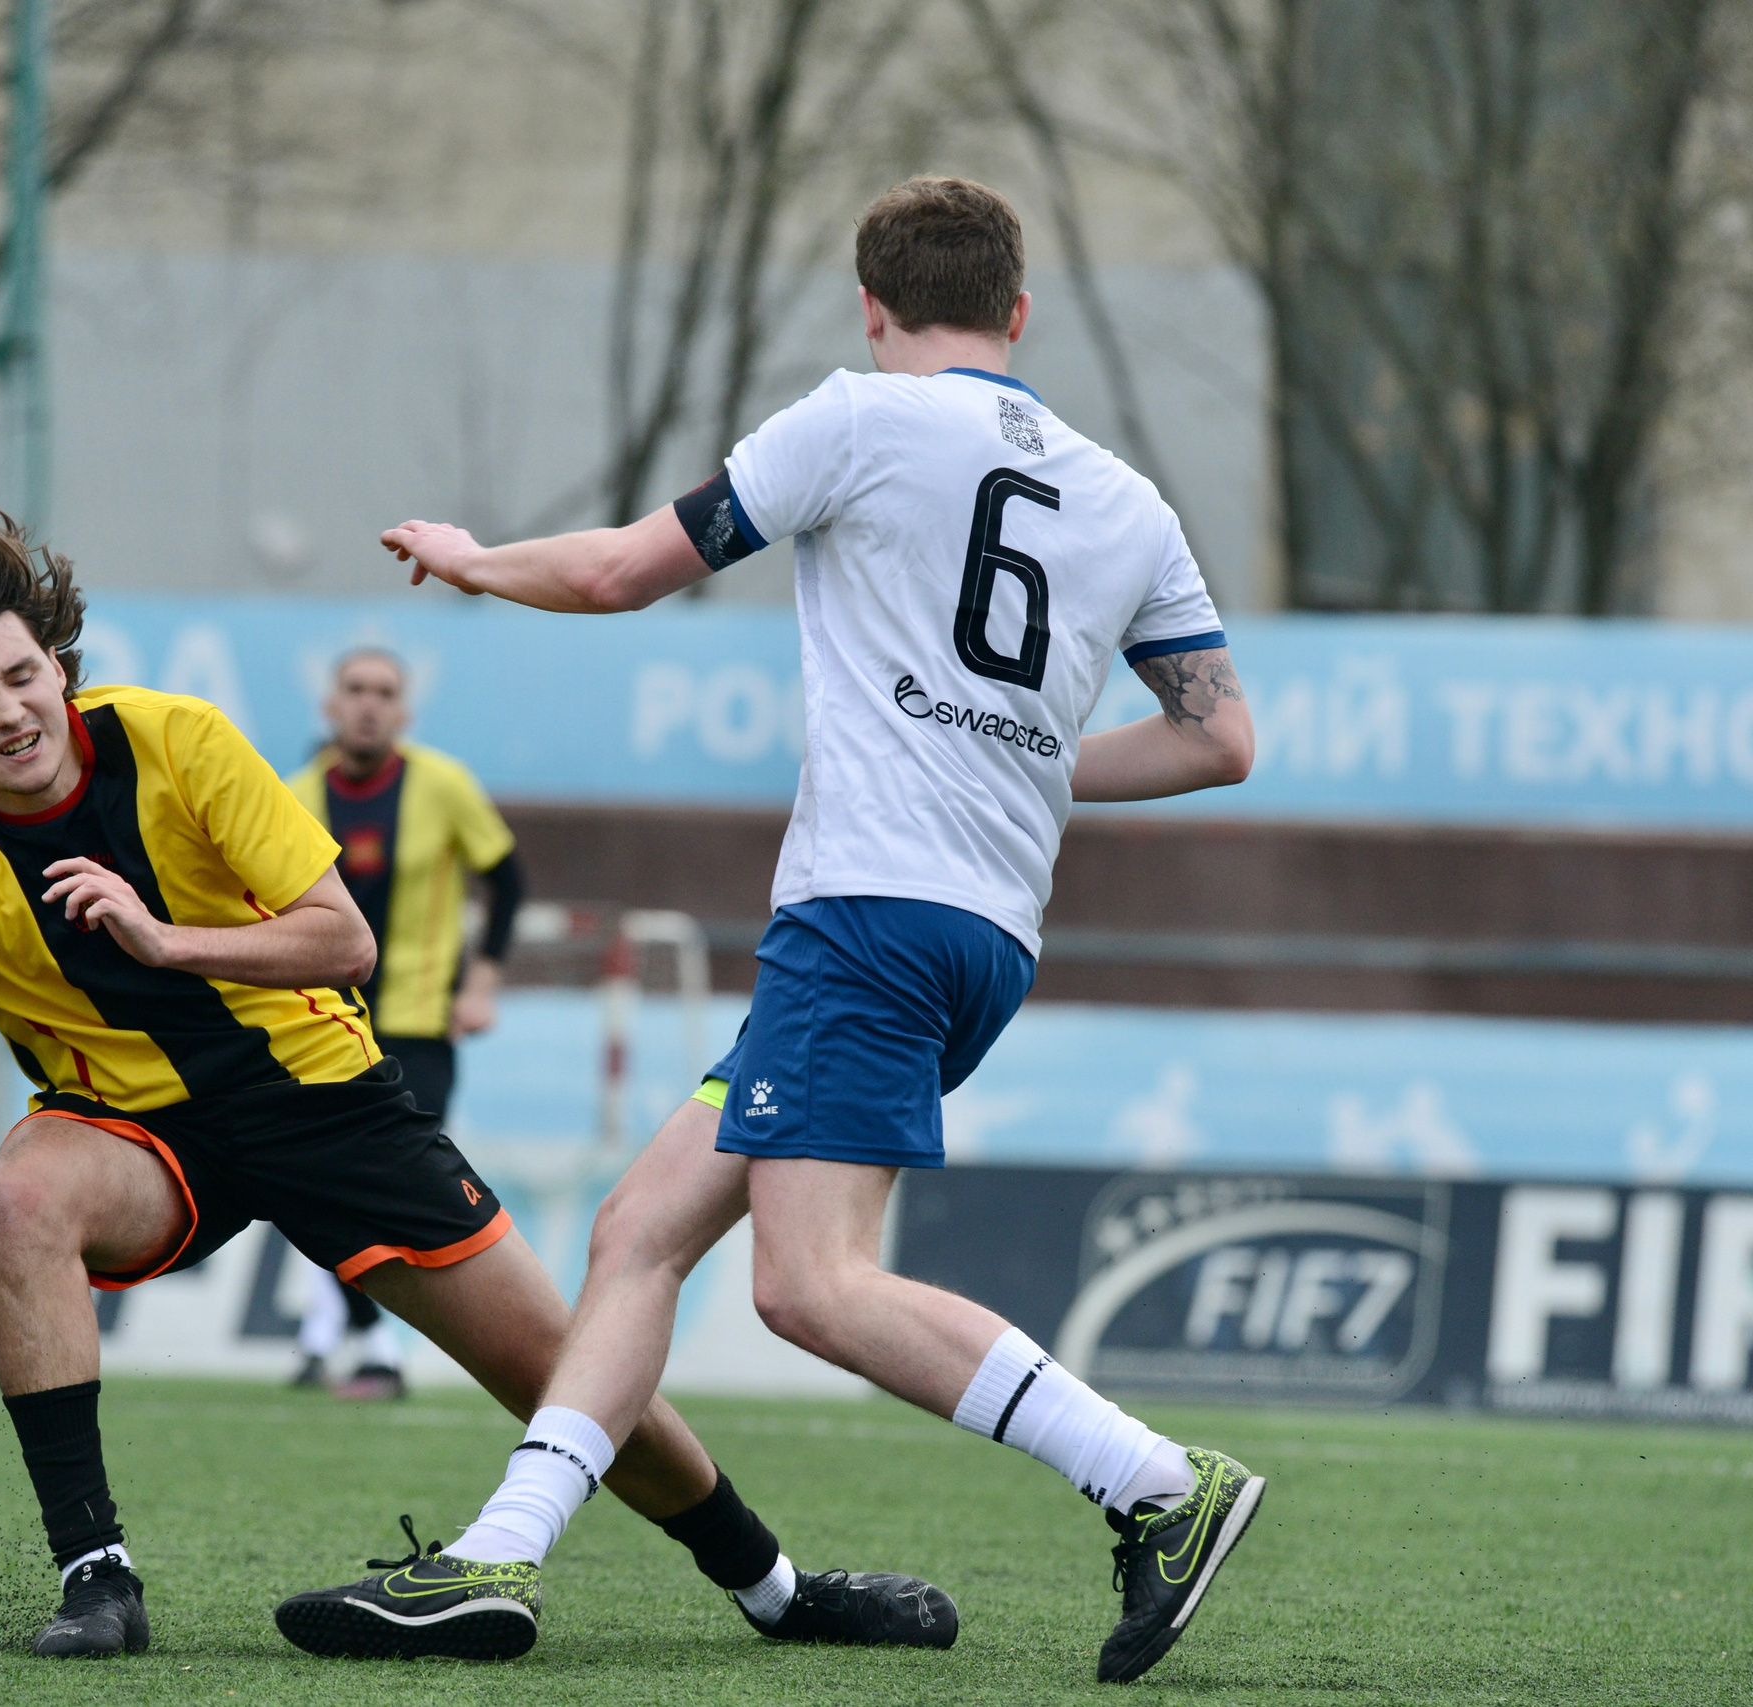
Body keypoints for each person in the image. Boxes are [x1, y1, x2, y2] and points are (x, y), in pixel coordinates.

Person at [0, 479, 957, 1664]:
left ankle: (778, 1590)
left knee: (562, 1374)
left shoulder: (178, 739)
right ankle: (95, 1572)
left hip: (320, 1097)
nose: (8, 711)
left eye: (20, 675)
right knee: (17, 1197)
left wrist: (163, 936)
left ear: (56, 656)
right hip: (129, 1133)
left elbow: (340, 938)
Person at [349, 177, 1264, 1685]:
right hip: (983, 933)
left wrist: (472, 556)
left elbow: (619, 571)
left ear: (871, 305)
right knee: (641, 1229)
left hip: (866, 915)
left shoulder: (853, 414)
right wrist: (1025, 765)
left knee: (807, 1284)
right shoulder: (1127, 497)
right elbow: (1220, 738)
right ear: (1019, 315)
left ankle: (1162, 1483)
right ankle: (498, 1554)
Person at [279, 647, 524, 1400]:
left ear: (404, 709)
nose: (368, 704)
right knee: (313, 1182)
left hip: (418, 1022)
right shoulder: (288, 796)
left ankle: (372, 1340)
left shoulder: (443, 783)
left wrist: (480, 982)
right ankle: (361, 1337)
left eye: (384, 691)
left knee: (392, 1176)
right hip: (320, 1024)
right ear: (330, 703)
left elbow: (507, 879)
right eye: (355, 689)